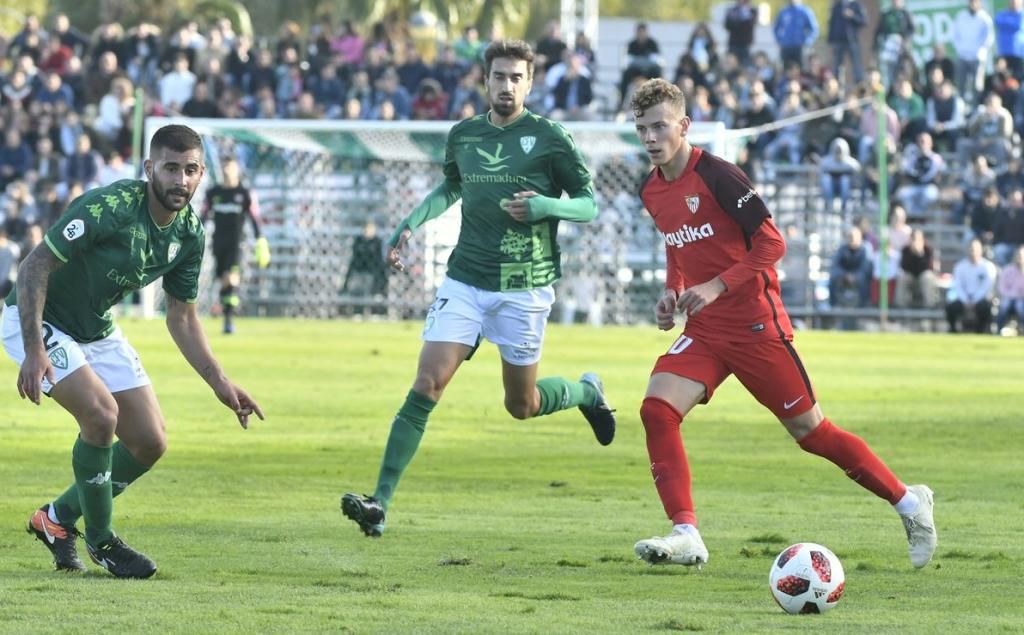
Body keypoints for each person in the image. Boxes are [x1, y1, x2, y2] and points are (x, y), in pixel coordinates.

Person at [627, 79, 936, 570]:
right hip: (706, 331)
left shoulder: (720, 176)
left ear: (683, 125)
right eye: (641, 128)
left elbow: (773, 244)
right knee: (656, 410)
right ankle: (687, 532)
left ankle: (910, 503)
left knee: (811, 433)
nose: (650, 136)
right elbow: (676, 243)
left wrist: (713, 288)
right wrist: (673, 290)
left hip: (755, 326)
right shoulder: (651, 187)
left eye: (660, 126)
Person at [341, 40, 616, 538]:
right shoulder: (464, 135)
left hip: (524, 287)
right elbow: (451, 186)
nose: (506, 85)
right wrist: (410, 224)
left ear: (529, 83)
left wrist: (545, 207)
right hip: (466, 279)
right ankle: (379, 503)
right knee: (427, 384)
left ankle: (585, 392)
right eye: (498, 76)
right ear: (484, 81)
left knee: (522, 405)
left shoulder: (550, 138)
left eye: (516, 77)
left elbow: (588, 203)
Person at [1, 124, 264, 578]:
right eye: (170, 168)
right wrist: (33, 347)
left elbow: (182, 317)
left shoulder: (190, 233)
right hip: (37, 319)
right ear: (149, 169)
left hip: (95, 328)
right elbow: (34, 265)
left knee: (149, 440)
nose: (180, 180)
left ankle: (56, 519)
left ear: (202, 174)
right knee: (102, 416)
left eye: (191, 170)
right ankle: (103, 542)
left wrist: (221, 383)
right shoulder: (110, 206)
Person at [202, 157, 270, 334]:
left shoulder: (244, 193)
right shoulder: (213, 193)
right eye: (224, 168)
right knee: (223, 281)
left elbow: (254, 218)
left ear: (237, 170)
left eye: (230, 168)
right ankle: (227, 313)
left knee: (231, 278)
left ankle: (229, 320)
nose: (227, 171)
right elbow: (203, 217)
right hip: (217, 243)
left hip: (237, 244)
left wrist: (260, 239)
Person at [946, 238, 998, 333]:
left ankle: (981, 332)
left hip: (980, 299)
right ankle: (953, 331)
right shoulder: (960, 266)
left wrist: (975, 300)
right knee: (951, 308)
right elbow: (958, 285)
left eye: (975, 249)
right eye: (971, 249)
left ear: (981, 250)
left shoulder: (988, 266)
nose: (972, 252)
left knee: (985, 308)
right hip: (964, 299)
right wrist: (965, 300)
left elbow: (986, 287)